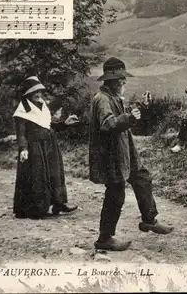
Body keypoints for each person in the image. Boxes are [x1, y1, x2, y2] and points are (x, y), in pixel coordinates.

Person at [89, 57, 174, 251]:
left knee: (142, 177)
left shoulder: (112, 97)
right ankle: (104, 238)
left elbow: (122, 120)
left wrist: (140, 108)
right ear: (111, 80)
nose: (124, 82)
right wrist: (129, 117)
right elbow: (108, 124)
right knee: (116, 194)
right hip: (111, 155)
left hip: (125, 149)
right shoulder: (102, 99)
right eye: (120, 79)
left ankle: (149, 220)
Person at [13, 71, 79, 219]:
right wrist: (23, 149)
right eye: (34, 92)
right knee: (37, 175)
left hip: (50, 145)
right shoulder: (22, 110)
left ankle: (59, 204)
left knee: (55, 173)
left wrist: (64, 123)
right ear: (27, 94)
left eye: (39, 91)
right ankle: (37, 208)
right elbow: (21, 133)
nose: (37, 94)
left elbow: (48, 126)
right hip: (34, 147)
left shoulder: (43, 105)